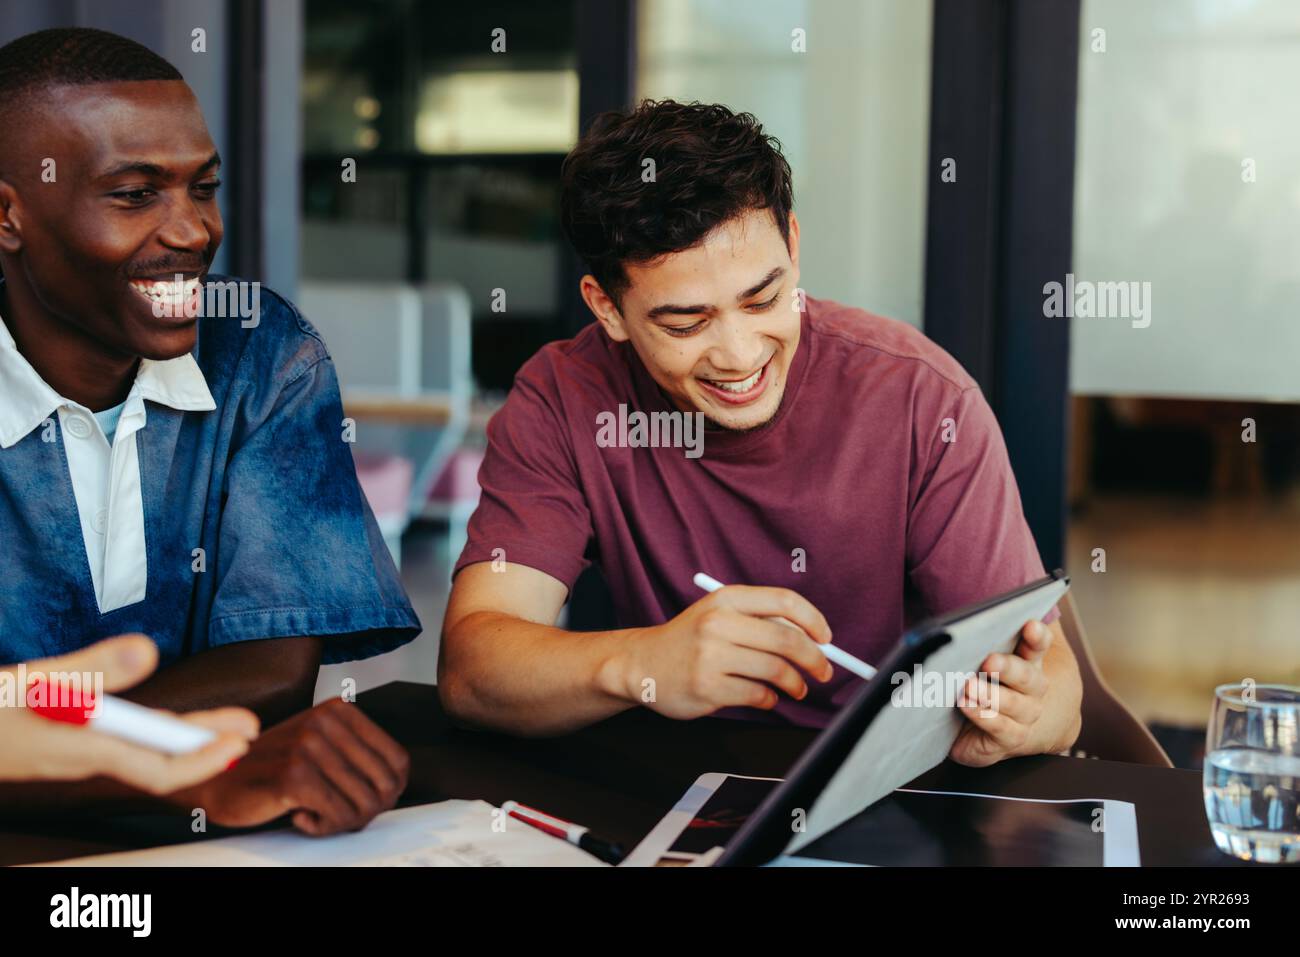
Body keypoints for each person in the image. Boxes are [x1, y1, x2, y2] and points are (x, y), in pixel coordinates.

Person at [439, 100, 1082, 767]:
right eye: (686, 324)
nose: (740, 354)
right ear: (609, 308)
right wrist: (643, 661)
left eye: (763, 299)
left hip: (884, 785)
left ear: (794, 246)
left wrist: (1024, 718)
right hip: (669, 782)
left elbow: (1062, 693)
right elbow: (472, 669)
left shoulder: (924, 399)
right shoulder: (563, 400)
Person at [0, 28, 418, 830]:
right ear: (8, 216)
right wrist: (182, 768)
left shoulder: (260, 349)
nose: (194, 231)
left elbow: (271, 664)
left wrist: (51, 746)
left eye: (204, 187)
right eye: (134, 194)